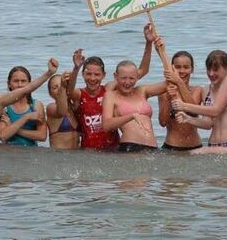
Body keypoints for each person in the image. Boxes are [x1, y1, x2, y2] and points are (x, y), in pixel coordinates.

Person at [66, 23, 155, 151]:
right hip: (89, 149)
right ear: (83, 75)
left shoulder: (108, 89)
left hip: (113, 148)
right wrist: (76, 68)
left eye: (97, 74)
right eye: (88, 74)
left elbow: (142, 71)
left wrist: (148, 43)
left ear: (104, 75)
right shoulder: (80, 94)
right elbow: (69, 91)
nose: (92, 78)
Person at [173, 50, 227, 154]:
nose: (211, 73)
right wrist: (188, 119)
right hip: (212, 144)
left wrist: (184, 106)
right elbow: (208, 124)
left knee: (193, 154)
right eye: (208, 69)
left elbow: (216, 110)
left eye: (215, 70)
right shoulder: (206, 90)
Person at [102, 58, 168, 152]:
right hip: (129, 147)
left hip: (152, 149)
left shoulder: (142, 91)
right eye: (123, 78)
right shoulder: (110, 96)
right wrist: (131, 116)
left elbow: (170, 83)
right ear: (115, 77)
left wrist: (162, 53)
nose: (127, 82)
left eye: (131, 78)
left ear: (137, 77)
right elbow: (106, 125)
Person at [158, 50, 204, 151]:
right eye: (178, 67)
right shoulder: (165, 92)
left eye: (186, 67)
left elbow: (192, 112)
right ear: (173, 69)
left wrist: (179, 81)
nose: (182, 71)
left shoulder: (198, 90)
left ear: (192, 69)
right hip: (171, 147)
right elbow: (162, 122)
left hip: (196, 147)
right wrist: (168, 99)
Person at [0, 66, 48, 146]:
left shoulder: (36, 106)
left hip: (31, 154)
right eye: (16, 81)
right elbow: (3, 136)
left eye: (23, 81)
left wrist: (13, 128)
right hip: (8, 153)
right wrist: (26, 117)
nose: (19, 85)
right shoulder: (4, 106)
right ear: (9, 84)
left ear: (29, 83)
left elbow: (42, 136)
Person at [46, 72, 79, 149]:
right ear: (50, 94)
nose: (59, 89)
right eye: (55, 87)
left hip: (76, 157)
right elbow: (62, 111)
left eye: (61, 85)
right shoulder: (51, 108)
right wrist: (63, 88)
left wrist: (76, 69)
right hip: (58, 157)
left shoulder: (74, 109)